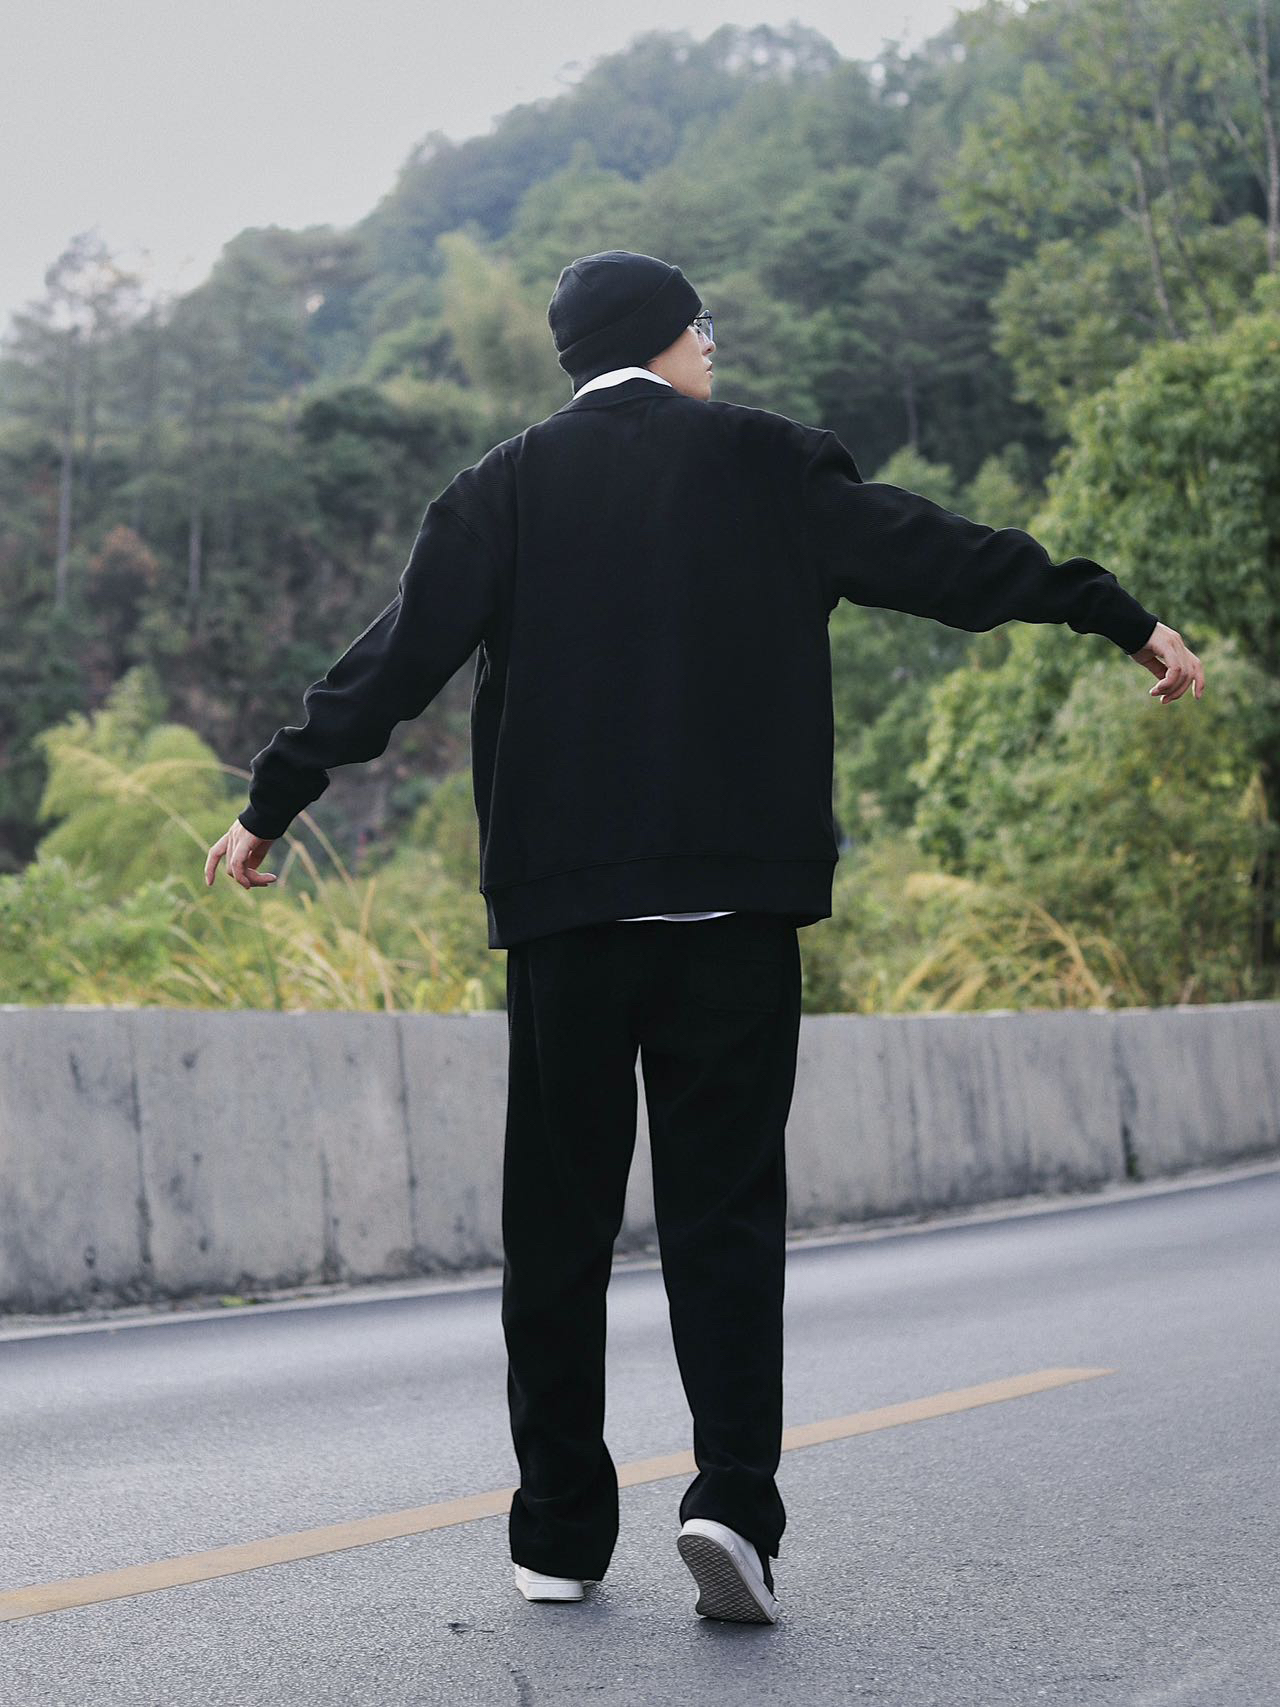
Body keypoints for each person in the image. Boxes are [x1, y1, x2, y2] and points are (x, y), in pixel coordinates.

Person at [204, 249, 1205, 1625]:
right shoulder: (766, 463)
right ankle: (732, 1501)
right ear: (666, 339)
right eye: (704, 330)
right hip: (734, 913)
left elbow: (391, 665)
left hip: (568, 920)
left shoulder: (501, 489)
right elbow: (946, 558)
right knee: (723, 1219)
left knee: (556, 1228)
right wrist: (1115, 613)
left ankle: (559, 1533)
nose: (714, 350)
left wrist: (271, 803)